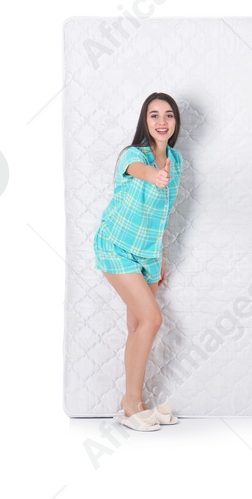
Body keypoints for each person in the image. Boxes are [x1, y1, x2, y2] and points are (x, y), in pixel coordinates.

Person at [93, 93, 183, 431]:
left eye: (168, 115)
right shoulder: (133, 156)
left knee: (137, 326)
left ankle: (135, 401)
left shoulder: (177, 160)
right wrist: (154, 176)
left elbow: (163, 214)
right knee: (153, 319)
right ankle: (130, 402)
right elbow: (140, 171)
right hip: (116, 247)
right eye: (154, 115)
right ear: (145, 122)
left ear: (175, 123)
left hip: (147, 253)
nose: (162, 121)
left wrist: (158, 257)